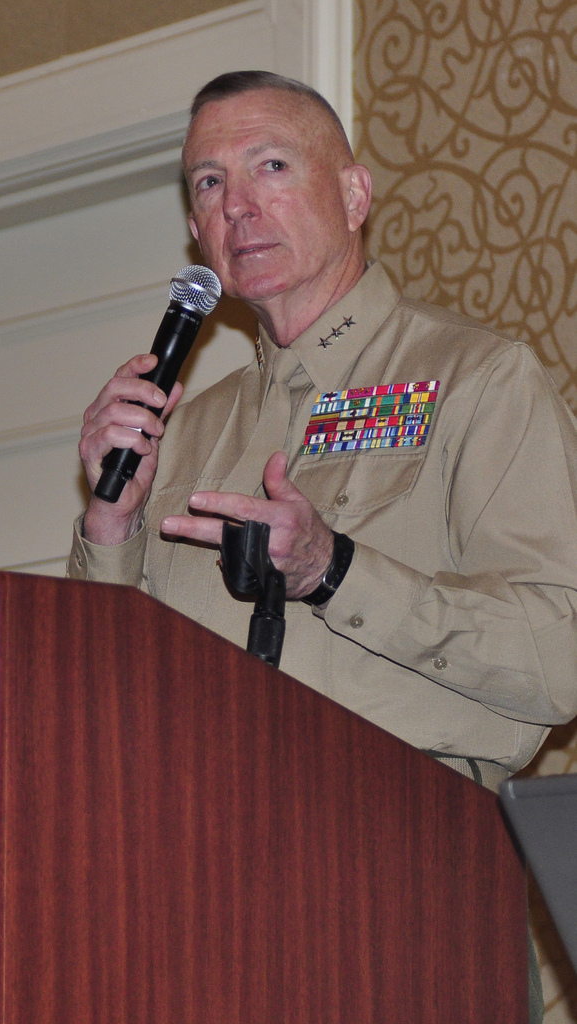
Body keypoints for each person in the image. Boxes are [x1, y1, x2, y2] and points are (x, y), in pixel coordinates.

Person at [68, 70, 577, 795]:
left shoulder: (478, 379)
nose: (238, 206)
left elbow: (557, 657)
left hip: (399, 833)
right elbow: (93, 699)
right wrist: (110, 526)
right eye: (208, 183)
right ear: (195, 231)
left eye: (270, 166)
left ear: (352, 196)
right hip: (183, 843)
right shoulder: (179, 431)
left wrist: (332, 570)